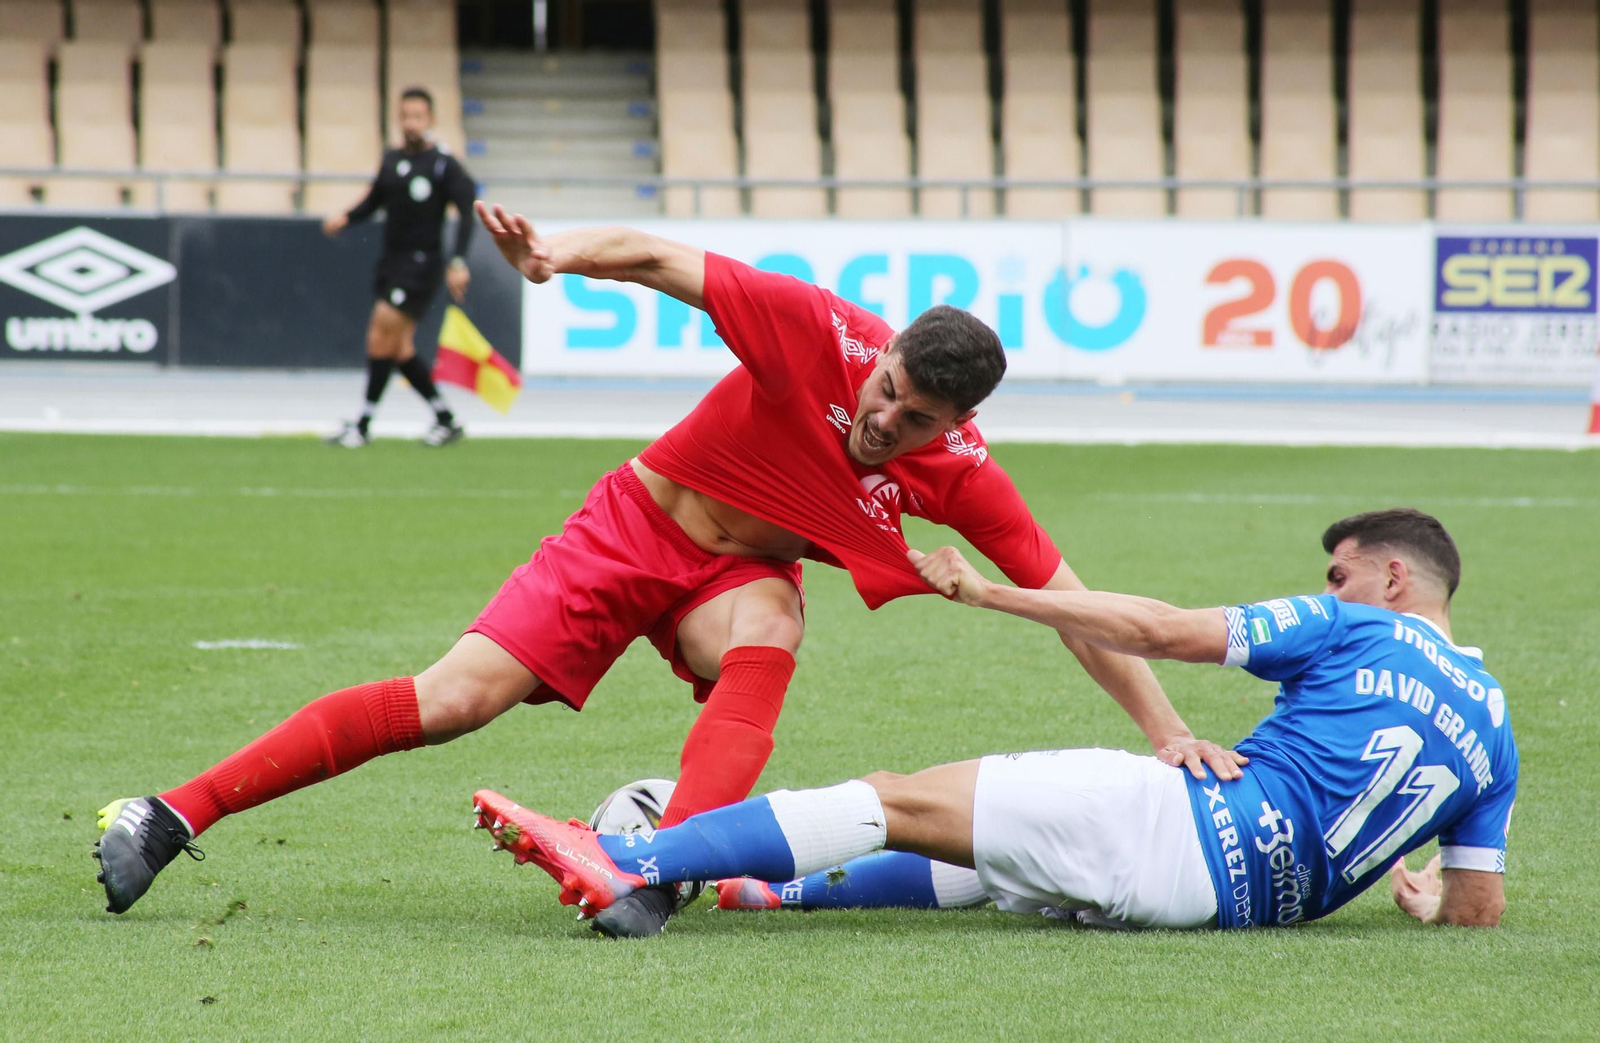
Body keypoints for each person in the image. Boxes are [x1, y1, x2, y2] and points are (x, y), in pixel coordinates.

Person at [94, 208, 1242, 937]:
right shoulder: (818, 329)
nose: (882, 418)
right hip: (629, 526)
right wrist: (553, 257)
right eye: (886, 386)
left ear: (957, 420)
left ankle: (652, 870)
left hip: (731, 580)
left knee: (771, 631)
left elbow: (1075, 606)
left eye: (914, 415)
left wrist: (1164, 726)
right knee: (452, 701)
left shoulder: (965, 477)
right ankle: (172, 810)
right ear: (881, 350)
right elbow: (655, 256)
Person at [477, 508, 1517, 931]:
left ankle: (634, 856)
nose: (1328, 583)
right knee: (986, 855)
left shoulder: (1358, 627)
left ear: (1389, 575)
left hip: (1189, 825)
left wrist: (996, 593)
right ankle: (757, 886)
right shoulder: (1497, 727)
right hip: (1236, 906)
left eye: (1339, 571)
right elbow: (1476, 906)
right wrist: (1421, 903)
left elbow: (1158, 627)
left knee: (894, 798)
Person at [322, 86, 474, 449]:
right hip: (391, 262)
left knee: (379, 335)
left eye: (418, 116)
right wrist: (347, 217)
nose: (411, 123)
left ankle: (361, 425)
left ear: (431, 120)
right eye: (406, 116)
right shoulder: (392, 159)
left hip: (421, 265)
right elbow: (374, 201)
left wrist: (458, 261)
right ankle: (445, 419)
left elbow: (468, 212)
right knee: (399, 347)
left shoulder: (443, 164)